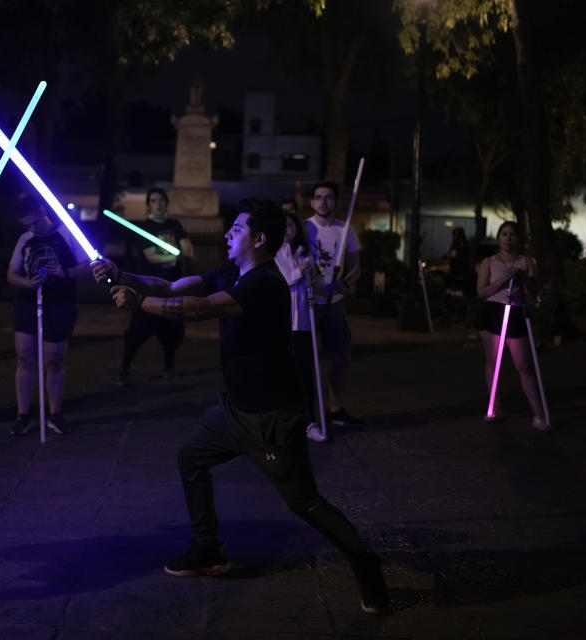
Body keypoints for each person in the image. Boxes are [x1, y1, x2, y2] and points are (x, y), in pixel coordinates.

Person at [90, 202, 389, 615]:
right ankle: (207, 550)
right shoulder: (232, 273)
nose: (228, 234)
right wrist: (122, 276)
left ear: (259, 239)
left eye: (236, 229)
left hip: (272, 419)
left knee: (305, 503)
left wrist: (137, 303)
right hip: (235, 412)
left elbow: (200, 310)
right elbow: (172, 288)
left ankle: (366, 563)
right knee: (191, 459)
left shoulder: (265, 284)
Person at [7, 195, 90, 436]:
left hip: (60, 303)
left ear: (42, 211)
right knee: (24, 358)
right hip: (27, 302)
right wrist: (27, 283)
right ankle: (22, 415)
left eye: (34, 222)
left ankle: (55, 413)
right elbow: (12, 273)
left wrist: (64, 272)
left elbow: (88, 264)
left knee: (54, 359)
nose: (32, 228)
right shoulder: (25, 239)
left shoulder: (66, 233)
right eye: (27, 225)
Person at [473, 221, 548, 430]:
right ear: (499, 238)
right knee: (493, 362)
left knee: (523, 365)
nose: (508, 238)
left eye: (512, 234)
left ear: (518, 238)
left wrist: (522, 277)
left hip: (516, 313)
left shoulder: (527, 262)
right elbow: (481, 292)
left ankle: (539, 414)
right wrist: (504, 280)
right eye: (504, 234)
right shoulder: (489, 262)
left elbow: (533, 292)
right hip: (492, 313)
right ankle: (494, 408)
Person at [117, 188, 195, 385]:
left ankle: (169, 367)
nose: (158, 203)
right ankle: (125, 368)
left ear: (166, 203)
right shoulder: (145, 228)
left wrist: (184, 253)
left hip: (172, 288)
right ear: (148, 205)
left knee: (173, 332)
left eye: (161, 200)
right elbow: (153, 256)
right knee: (137, 332)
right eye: (153, 200)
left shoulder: (174, 225)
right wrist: (179, 254)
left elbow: (189, 249)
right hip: (149, 289)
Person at [304, 181, 365, 427]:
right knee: (305, 359)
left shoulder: (346, 230)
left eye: (329, 197)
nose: (323, 201)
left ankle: (334, 408)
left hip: (334, 303)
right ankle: (306, 413)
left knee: (341, 356)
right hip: (308, 303)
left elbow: (357, 269)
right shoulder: (303, 229)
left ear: (336, 201)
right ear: (311, 202)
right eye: (318, 197)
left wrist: (342, 284)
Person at [275, 208, 326, 442]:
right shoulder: (273, 252)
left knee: (306, 374)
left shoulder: (304, 252)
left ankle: (309, 421)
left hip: (304, 324)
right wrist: (299, 270)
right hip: (283, 324)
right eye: (283, 225)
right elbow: (282, 281)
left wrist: (310, 271)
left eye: (291, 226)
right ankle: (283, 422)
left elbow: (315, 284)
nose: (287, 230)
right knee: (282, 374)